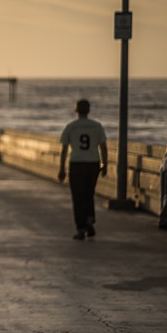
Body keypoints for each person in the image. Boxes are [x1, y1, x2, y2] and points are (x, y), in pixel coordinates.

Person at [58, 99, 108, 240]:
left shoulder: (71, 127)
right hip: (93, 164)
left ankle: (81, 229)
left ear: (76, 110)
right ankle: (90, 218)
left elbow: (63, 149)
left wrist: (61, 168)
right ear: (89, 110)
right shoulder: (97, 126)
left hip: (76, 164)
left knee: (78, 197)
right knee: (89, 194)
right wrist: (105, 165)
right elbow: (103, 147)